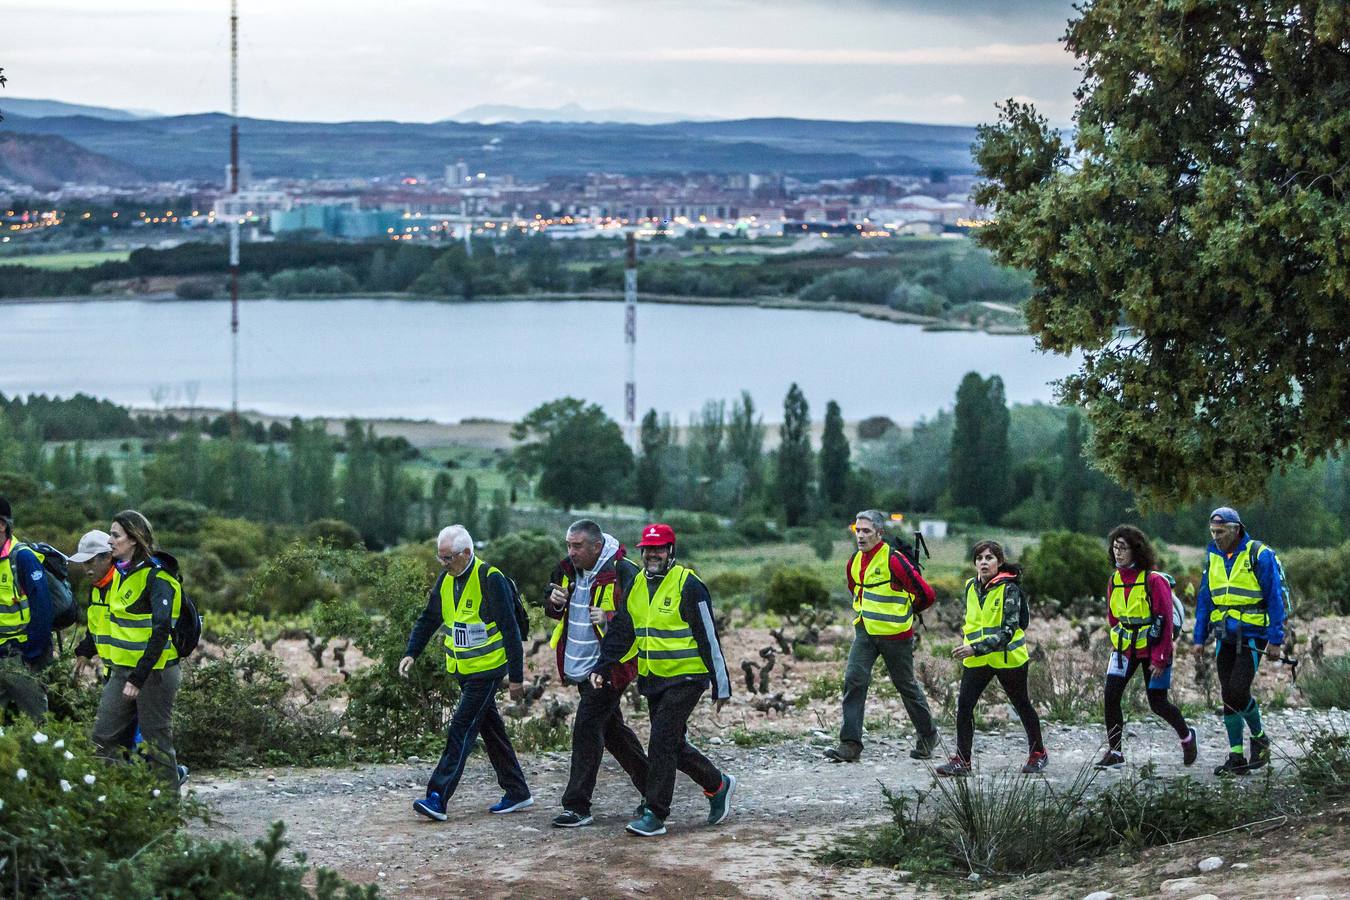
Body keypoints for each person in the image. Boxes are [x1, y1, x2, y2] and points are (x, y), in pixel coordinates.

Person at [593, 523, 735, 837]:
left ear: (671, 551)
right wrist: (603, 666)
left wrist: (720, 685)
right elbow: (623, 632)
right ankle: (717, 784)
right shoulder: (636, 586)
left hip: (688, 677)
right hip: (654, 678)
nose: (652, 554)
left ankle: (654, 813)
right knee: (672, 743)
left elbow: (708, 636)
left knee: (660, 740)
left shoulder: (688, 584)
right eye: (648, 549)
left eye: (659, 548)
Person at [400, 524, 531, 821]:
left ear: (467, 553)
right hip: (462, 670)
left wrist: (516, 676)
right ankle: (518, 791)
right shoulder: (446, 581)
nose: (444, 564)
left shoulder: (490, 579)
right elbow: (429, 618)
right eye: (440, 558)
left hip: (487, 671)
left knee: (461, 727)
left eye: (448, 558)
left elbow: (510, 630)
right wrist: (411, 652)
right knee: (491, 730)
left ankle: (437, 796)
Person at [544, 519, 648, 828]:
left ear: (596, 546)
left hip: (609, 668)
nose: (571, 552)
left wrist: (609, 622)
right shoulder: (565, 570)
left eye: (577, 546)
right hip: (580, 666)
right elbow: (552, 610)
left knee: (587, 728)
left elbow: (633, 620)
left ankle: (576, 806)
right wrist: (552, 602)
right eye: (568, 545)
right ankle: (655, 790)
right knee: (614, 734)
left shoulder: (624, 572)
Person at [825, 509, 939, 763]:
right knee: (854, 680)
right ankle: (850, 744)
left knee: (905, 686)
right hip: (865, 631)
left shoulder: (894, 560)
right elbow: (855, 590)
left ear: (880, 533)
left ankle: (928, 735)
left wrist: (907, 612)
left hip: (896, 635)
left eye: (866, 531)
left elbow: (927, 595)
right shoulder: (854, 561)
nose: (861, 535)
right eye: (858, 530)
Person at [936, 540, 1047, 777]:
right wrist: (971, 646)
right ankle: (962, 761)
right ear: (974, 562)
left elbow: (1008, 631)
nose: (984, 562)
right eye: (979, 558)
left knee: (1021, 704)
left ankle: (1038, 754)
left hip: (1008, 658)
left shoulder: (1010, 590)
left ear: (999, 562)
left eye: (989, 558)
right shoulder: (969, 586)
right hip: (977, 660)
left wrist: (975, 648)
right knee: (964, 705)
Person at [92, 510, 183, 786]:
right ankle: (120, 807)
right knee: (103, 738)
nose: (110, 541)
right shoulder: (119, 574)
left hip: (154, 674)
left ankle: (169, 816)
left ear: (134, 539)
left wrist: (138, 677)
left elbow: (160, 630)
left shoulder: (158, 577)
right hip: (122, 672)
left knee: (157, 745)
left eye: (115, 535)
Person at [1193, 507, 1285, 776]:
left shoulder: (1259, 555)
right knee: (1227, 695)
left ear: (1235, 529)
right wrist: (1199, 638)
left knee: (1237, 691)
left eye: (1220, 532)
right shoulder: (1213, 557)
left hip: (1253, 635)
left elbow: (1275, 599)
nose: (1216, 537)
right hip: (1224, 634)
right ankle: (1236, 757)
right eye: (1213, 532)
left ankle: (1260, 738)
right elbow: (1204, 600)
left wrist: (1276, 640)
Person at [1096, 525, 1196, 769]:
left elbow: (1164, 619)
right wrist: (1118, 641)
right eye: (1115, 547)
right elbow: (1113, 617)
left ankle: (1187, 736)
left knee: (1158, 703)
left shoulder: (1153, 580)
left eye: (1123, 548)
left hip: (1153, 650)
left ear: (1136, 550)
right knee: (1111, 696)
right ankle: (1115, 752)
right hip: (1124, 651)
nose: (1118, 553)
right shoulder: (1114, 580)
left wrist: (1161, 657)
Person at [69, 530, 138, 752]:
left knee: (140, 739)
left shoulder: (126, 583)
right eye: (83, 563)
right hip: (114, 673)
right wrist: (85, 651)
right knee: (116, 740)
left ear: (107, 557)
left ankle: (169, 776)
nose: (86, 569)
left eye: (90, 562)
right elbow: (97, 627)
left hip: (139, 673)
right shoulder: (97, 588)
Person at [0, 496, 53, 723]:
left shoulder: (22, 557)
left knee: (36, 723)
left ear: (2, 525)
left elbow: (43, 610)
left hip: (19, 655)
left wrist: (28, 653)